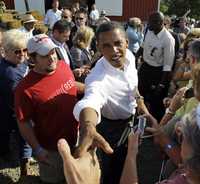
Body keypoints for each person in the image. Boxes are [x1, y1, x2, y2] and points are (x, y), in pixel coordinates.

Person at [73, 22, 149, 184]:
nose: (114, 50)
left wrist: (140, 103)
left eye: (117, 43)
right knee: (112, 168)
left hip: (130, 120)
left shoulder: (129, 56)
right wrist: (89, 127)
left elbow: (132, 86)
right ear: (99, 49)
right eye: (106, 46)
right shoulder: (97, 78)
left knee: (127, 158)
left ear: (126, 43)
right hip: (111, 129)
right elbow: (90, 100)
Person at [14, 34, 79, 183]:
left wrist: (92, 90)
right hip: (51, 150)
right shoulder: (24, 89)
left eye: (53, 52)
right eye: (45, 55)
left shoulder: (63, 66)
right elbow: (23, 122)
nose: (52, 58)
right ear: (32, 58)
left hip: (76, 140)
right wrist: (38, 150)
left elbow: (71, 85)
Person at [0, 29, 32, 176]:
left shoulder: (19, 62)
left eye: (25, 50)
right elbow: (18, 101)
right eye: (17, 51)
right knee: (22, 137)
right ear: (5, 52)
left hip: (9, 109)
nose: (22, 54)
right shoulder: (9, 74)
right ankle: (24, 170)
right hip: (12, 111)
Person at [138, 12, 175, 121]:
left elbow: (168, 65)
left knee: (156, 102)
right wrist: (135, 57)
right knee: (140, 95)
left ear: (160, 23)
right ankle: (139, 120)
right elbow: (143, 46)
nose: (148, 24)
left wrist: (162, 84)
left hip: (157, 73)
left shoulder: (168, 39)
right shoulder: (149, 31)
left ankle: (155, 126)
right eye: (149, 21)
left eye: (151, 22)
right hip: (145, 68)